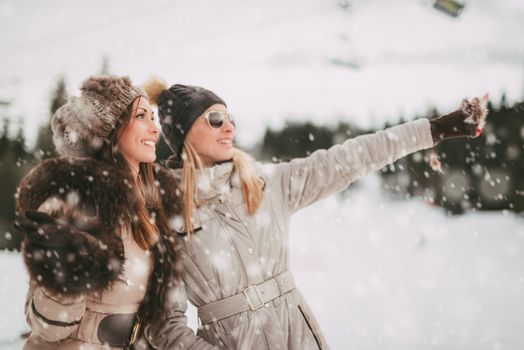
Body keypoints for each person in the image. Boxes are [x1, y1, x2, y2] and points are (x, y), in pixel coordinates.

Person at [143, 79, 488, 350]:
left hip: (299, 334)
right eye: (215, 119)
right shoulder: (166, 211)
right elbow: (165, 327)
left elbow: (354, 156)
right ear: (184, 134)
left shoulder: (264, 183)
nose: (229, 127)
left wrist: (436, 129)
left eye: (230, 117)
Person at [14, 76, 182, 349]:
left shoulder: (153, 202)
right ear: (108, 130)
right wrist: (68, 270)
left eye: (153, 117)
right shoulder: (75, 198)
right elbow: (46, 327)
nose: (155, 128)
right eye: (141, 116)